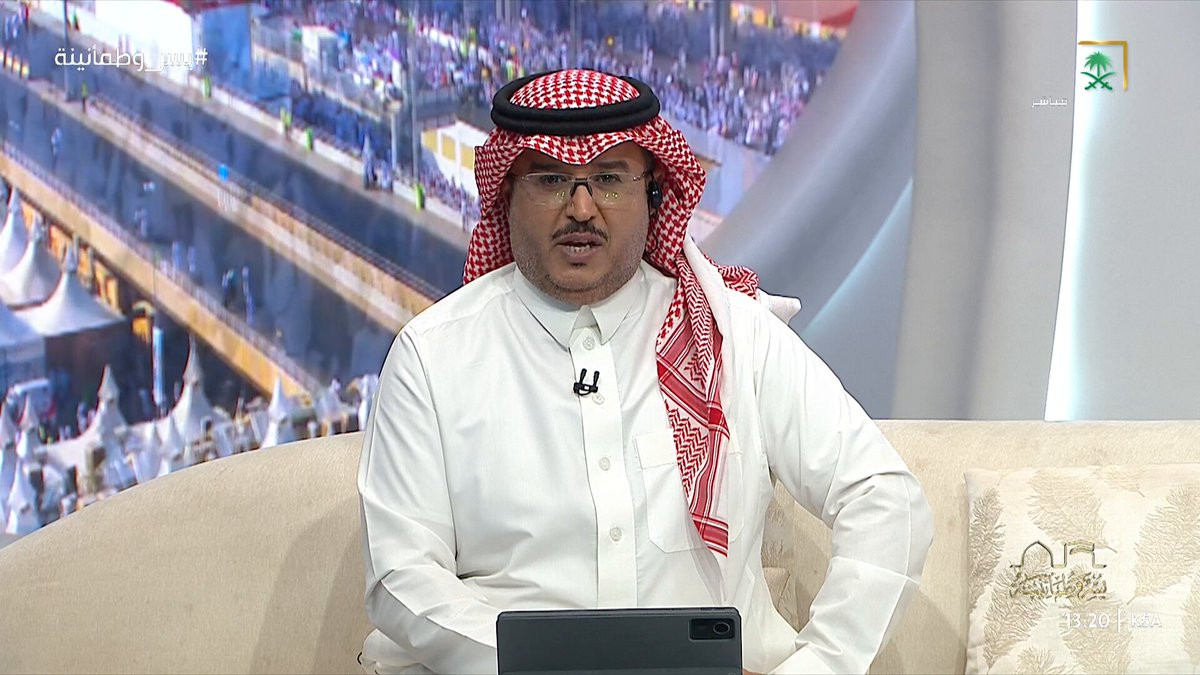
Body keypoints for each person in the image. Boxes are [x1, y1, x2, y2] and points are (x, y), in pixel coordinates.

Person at [357, 69, 932, 675]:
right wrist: (549, 666)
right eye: (551, 180)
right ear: (506, 194)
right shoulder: (433, 356)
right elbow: (402, 574)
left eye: (609, 179)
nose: (581, 208)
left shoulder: (732, 333)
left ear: (654, 193)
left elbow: (885, 498)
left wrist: (819, 667)